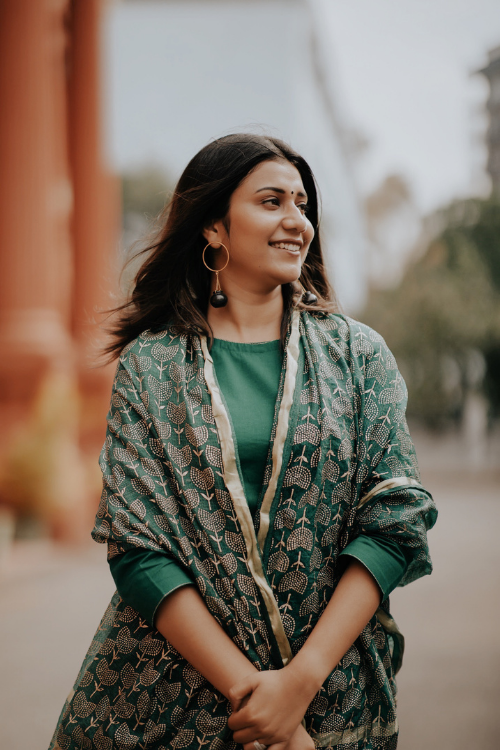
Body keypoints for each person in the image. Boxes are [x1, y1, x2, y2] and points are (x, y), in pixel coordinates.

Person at [49, 133, 437, 750]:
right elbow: (137, 546)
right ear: (214, 229)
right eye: (271, 201)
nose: (296, 221)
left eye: (302, 203)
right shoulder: (153, 366)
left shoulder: (358, 357)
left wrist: (298, 687)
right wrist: (252, 699)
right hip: (172, 699)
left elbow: (394, 518)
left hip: (330, 695)